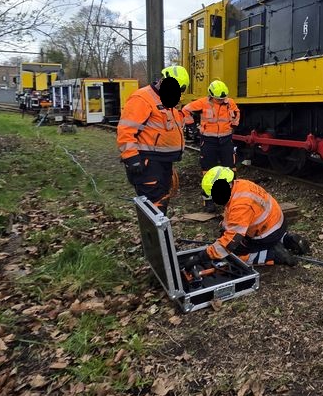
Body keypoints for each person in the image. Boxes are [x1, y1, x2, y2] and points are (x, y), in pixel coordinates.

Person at [198, 166, 310, 266]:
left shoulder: (240, 205)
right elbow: (233, 214)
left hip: (267, 233)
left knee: (232, 255)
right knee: (232, 240)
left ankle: (272, 255)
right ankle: (285, 239)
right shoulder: (240, 185)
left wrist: (205, 255)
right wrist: (224, 226)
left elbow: (231, 241)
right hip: (276, 223)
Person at [117, 65, 189, 215]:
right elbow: (126, 130)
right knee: (154, 203)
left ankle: (159, 235)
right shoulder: (142, 98)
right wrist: (131, 157)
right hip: (147, 162)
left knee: (161, 199)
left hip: (162, 161)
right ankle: (156, 237)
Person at [182, 79, 241, 212]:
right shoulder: (203, 102)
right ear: (211, 95)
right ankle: (208, 200)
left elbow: (237, 113)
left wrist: (234, 126)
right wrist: (191, 125)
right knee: (208, 170)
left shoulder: (230, 102)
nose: (221, 101)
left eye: (223, 98)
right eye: (219, 99)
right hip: (208, 141)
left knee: (231, 168)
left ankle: (233, 197)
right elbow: (185, 110)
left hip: (225, 140)